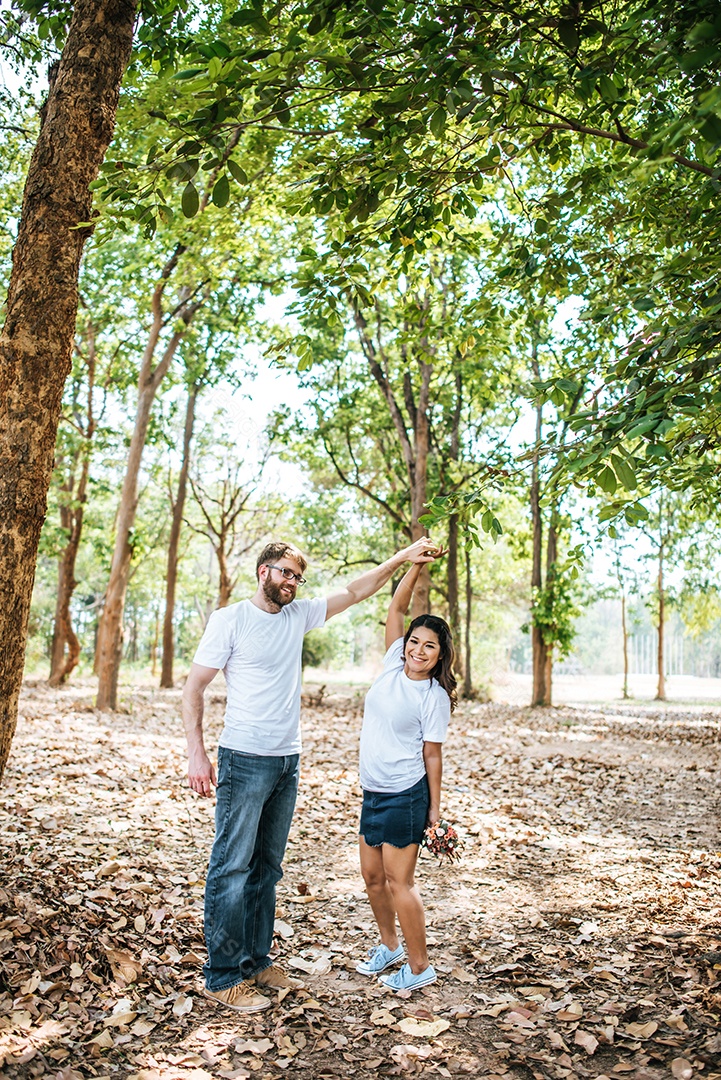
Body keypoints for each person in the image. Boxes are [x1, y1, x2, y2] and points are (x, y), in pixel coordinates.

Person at [182, 536, 440, 1014]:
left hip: (286, 761)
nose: (292, 583)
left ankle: (257, 962)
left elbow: (358, 590)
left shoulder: (297, 616)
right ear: (263, 571)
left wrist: (404, 558)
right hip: (243, 757)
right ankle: (221, 976)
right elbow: (194, 687)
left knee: (267, 869)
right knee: (232, 867)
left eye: (298, 577)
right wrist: (197, 754)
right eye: (285, 573)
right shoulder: (230, 620)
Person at [354, 556, 457, 993]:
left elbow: (432, 755)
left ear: (440, 655)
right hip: (372, 791)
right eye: (415, 641)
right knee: (373, 879)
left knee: (400, 882)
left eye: (428, 646)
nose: (417, 650)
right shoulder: (394, 663)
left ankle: (419, 967)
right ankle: (390, 947)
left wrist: (434, 811)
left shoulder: (433, 697)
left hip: (405, 794)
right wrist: (413, 563)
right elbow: (396, 609)